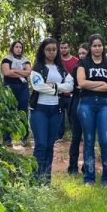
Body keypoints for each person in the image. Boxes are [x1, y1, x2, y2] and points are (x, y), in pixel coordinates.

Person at [29, 38, 74, 185]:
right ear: (43, 50)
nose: (51, 52)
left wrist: (54, 86)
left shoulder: (61, 68)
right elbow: (38, 87)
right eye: (48, 49)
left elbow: (70, 85)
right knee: (41, 144)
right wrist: (60, 88)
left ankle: (46, 180)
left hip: (56, 110)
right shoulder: (37, 68)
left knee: (49, 145)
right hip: (39, 110)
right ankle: (35, 180)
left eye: (54, 50)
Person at [77, 34, 107, 186]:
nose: (97, 48)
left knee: (105, 141)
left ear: (103, 47)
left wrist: (90, 83)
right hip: (86, 104)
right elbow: (81, 83)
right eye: (94, 45)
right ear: (90, 47)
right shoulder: (83, 63)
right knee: (88, 141)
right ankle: (89, 178)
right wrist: (102, 83)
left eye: (100, 45)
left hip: (104, 104)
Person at [1, 40, 32, 148]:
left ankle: (24, 138)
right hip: (9, 87)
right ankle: (6, 138)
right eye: (16, 47)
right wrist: (21, 72)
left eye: (20, 47)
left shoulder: (25, 60)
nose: (19, 49)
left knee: (23, 112)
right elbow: (6, 73)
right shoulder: (6, 59)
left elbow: (28, 73)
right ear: (12, 48)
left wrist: (14, 71)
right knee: (8, 111)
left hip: (23, 88)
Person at [67, 43, 89, 175]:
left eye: (84, 53)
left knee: (89, 137)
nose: (81, 56)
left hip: (90, 103)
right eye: (79, 53)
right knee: (76, 137)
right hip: (76, 102)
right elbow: (72, 87)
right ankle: (72, 167)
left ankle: (87, 167)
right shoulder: (76, 68)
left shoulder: (93, 67)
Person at [57, 41, 78, 139]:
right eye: (61, 48)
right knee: (59, 117)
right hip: (59, 93)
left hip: (72, 93)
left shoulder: (76, 61)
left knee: (73, 116)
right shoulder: (56, 61)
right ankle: (58, 137)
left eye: (65, 47)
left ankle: (76, 136)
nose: (63, 49)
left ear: (69, 48)